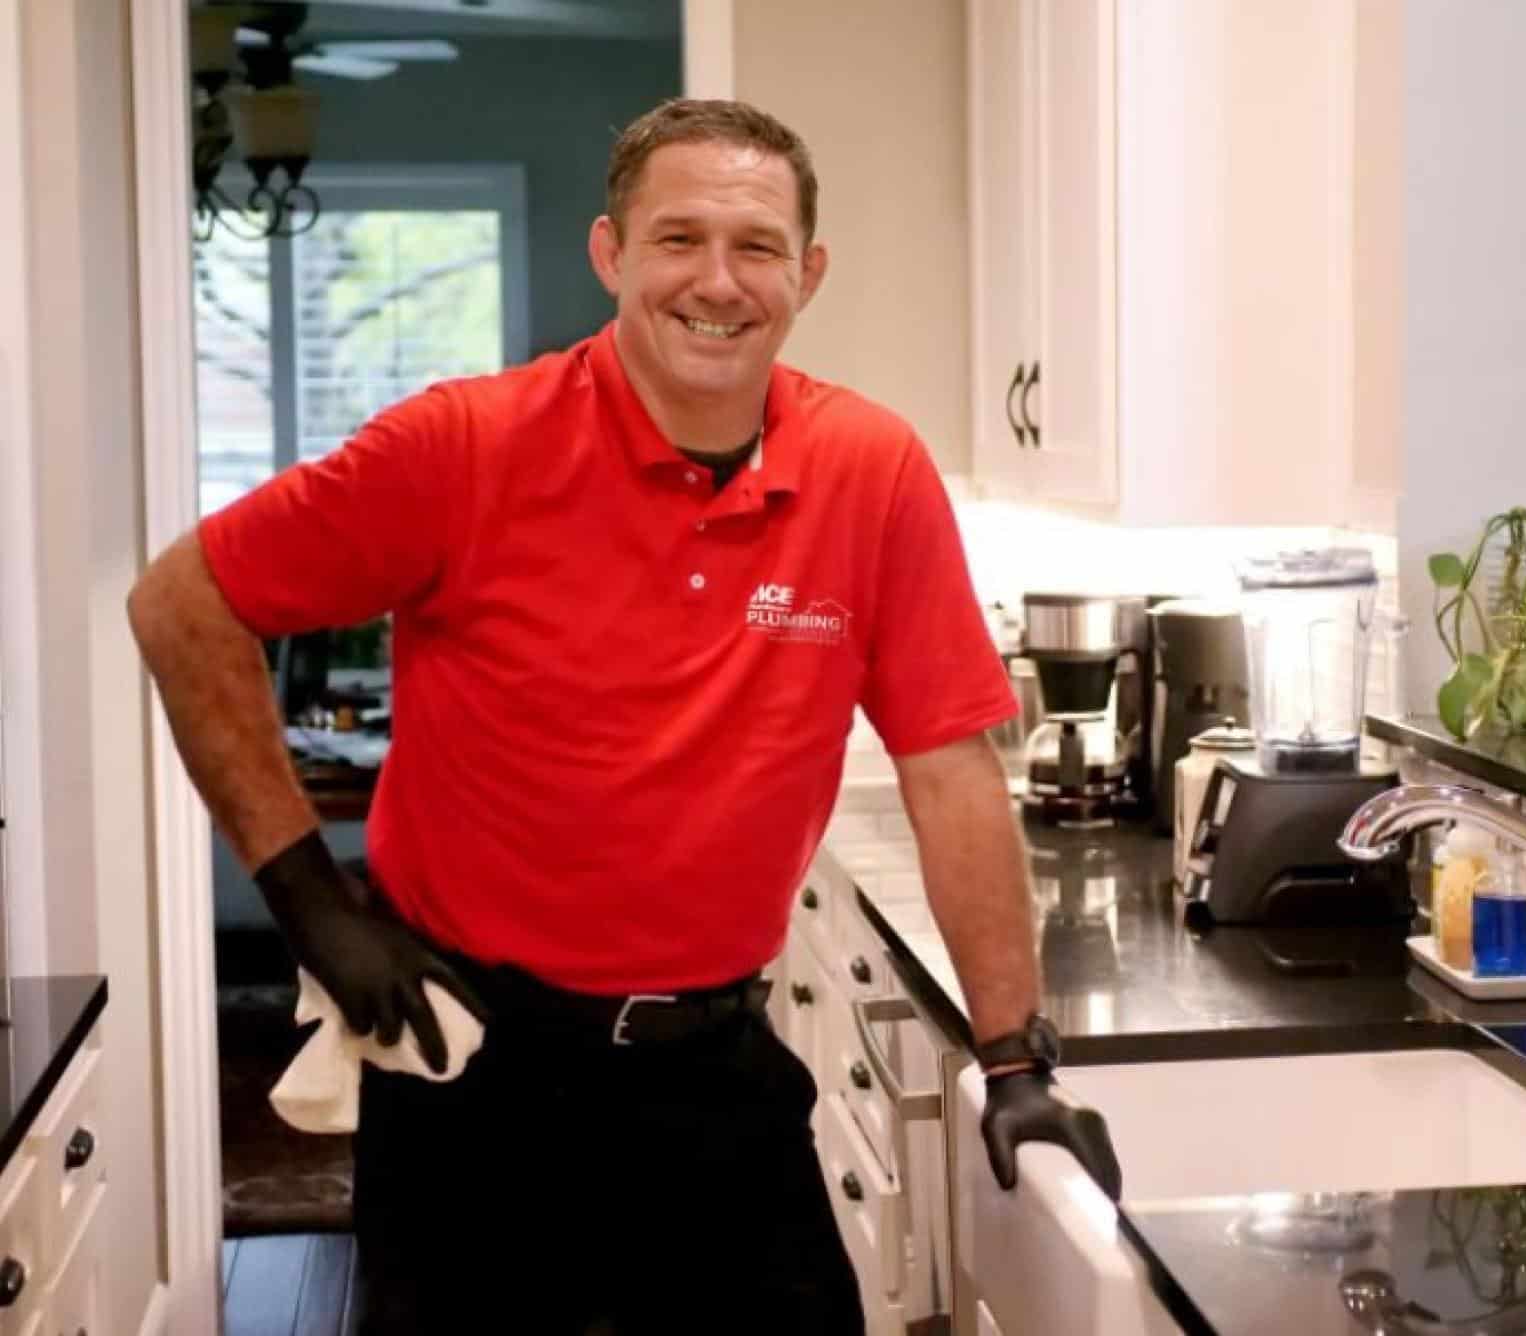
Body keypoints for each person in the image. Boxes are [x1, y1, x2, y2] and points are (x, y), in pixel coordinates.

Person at [129, 97, 1121, 1335]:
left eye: (756, 247)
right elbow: (182, 603)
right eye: (678, 239)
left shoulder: (870, 472)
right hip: (473, 1081)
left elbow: (949, 768)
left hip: (717, 1075)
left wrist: (1012, 1056)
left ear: (806, 275)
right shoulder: (462, 445)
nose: (718, 281)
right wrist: (313, 908)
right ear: (609, 254)